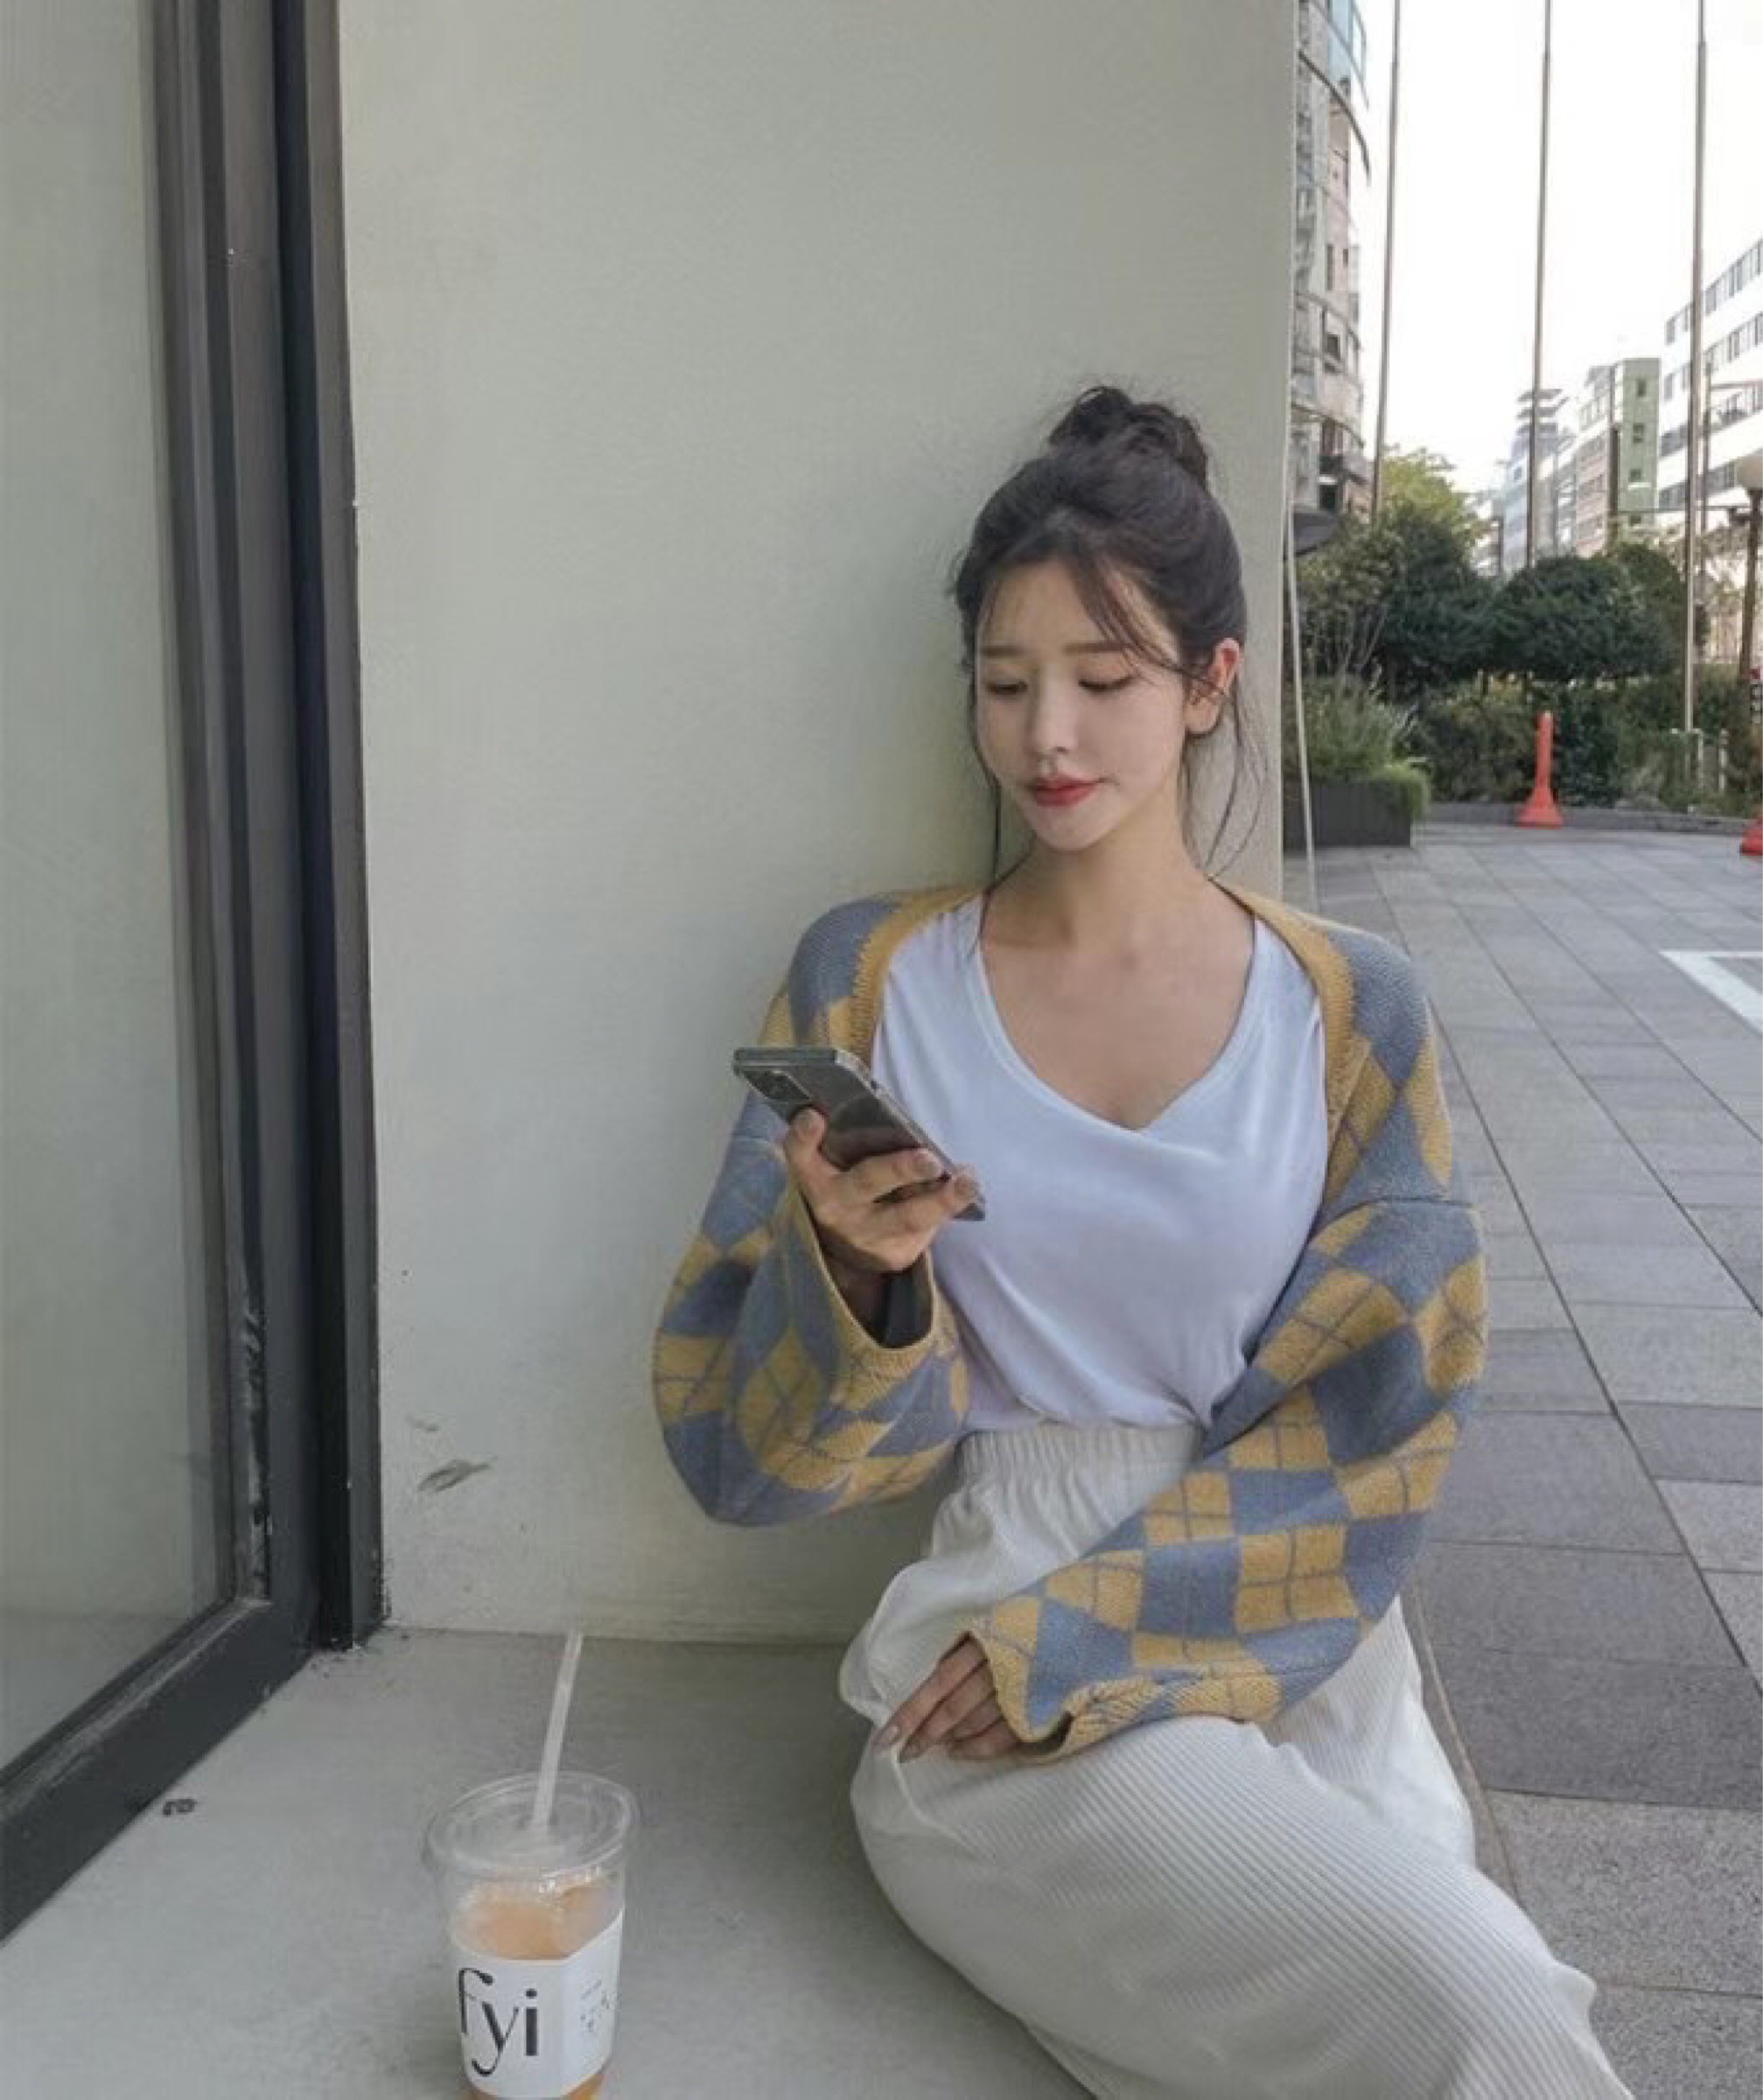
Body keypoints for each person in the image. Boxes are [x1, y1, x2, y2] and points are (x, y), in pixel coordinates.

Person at [650, 385, 1634, 2097]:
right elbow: (743, 1461)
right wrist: (865, 1281)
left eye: (1103, 680)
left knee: (1472, 2016)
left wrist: (1098, 1631)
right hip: (991, 1651)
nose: (1048, 734)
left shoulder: (1351, 1009)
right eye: (1004, 681)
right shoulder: (873, 980)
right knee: (1486, 2011)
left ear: (1209, 683)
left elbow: (1383, 1424)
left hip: (1293, 1620)